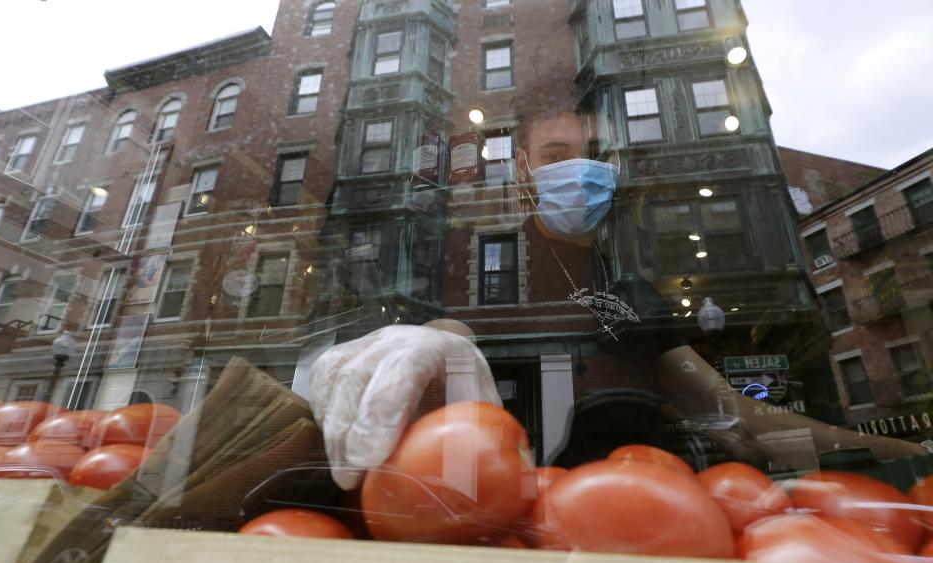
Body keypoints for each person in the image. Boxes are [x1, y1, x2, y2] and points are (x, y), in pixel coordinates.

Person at [309, 115, 927, 491]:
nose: (578, 171)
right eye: (556, 156)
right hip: (506, 494)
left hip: (633, 498)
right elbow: (452, 325)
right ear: (524, 167)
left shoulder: (627, 279)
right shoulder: (480, 249)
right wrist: (419, 341)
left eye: (593, 157)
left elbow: (738, 416)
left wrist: (908, 454)